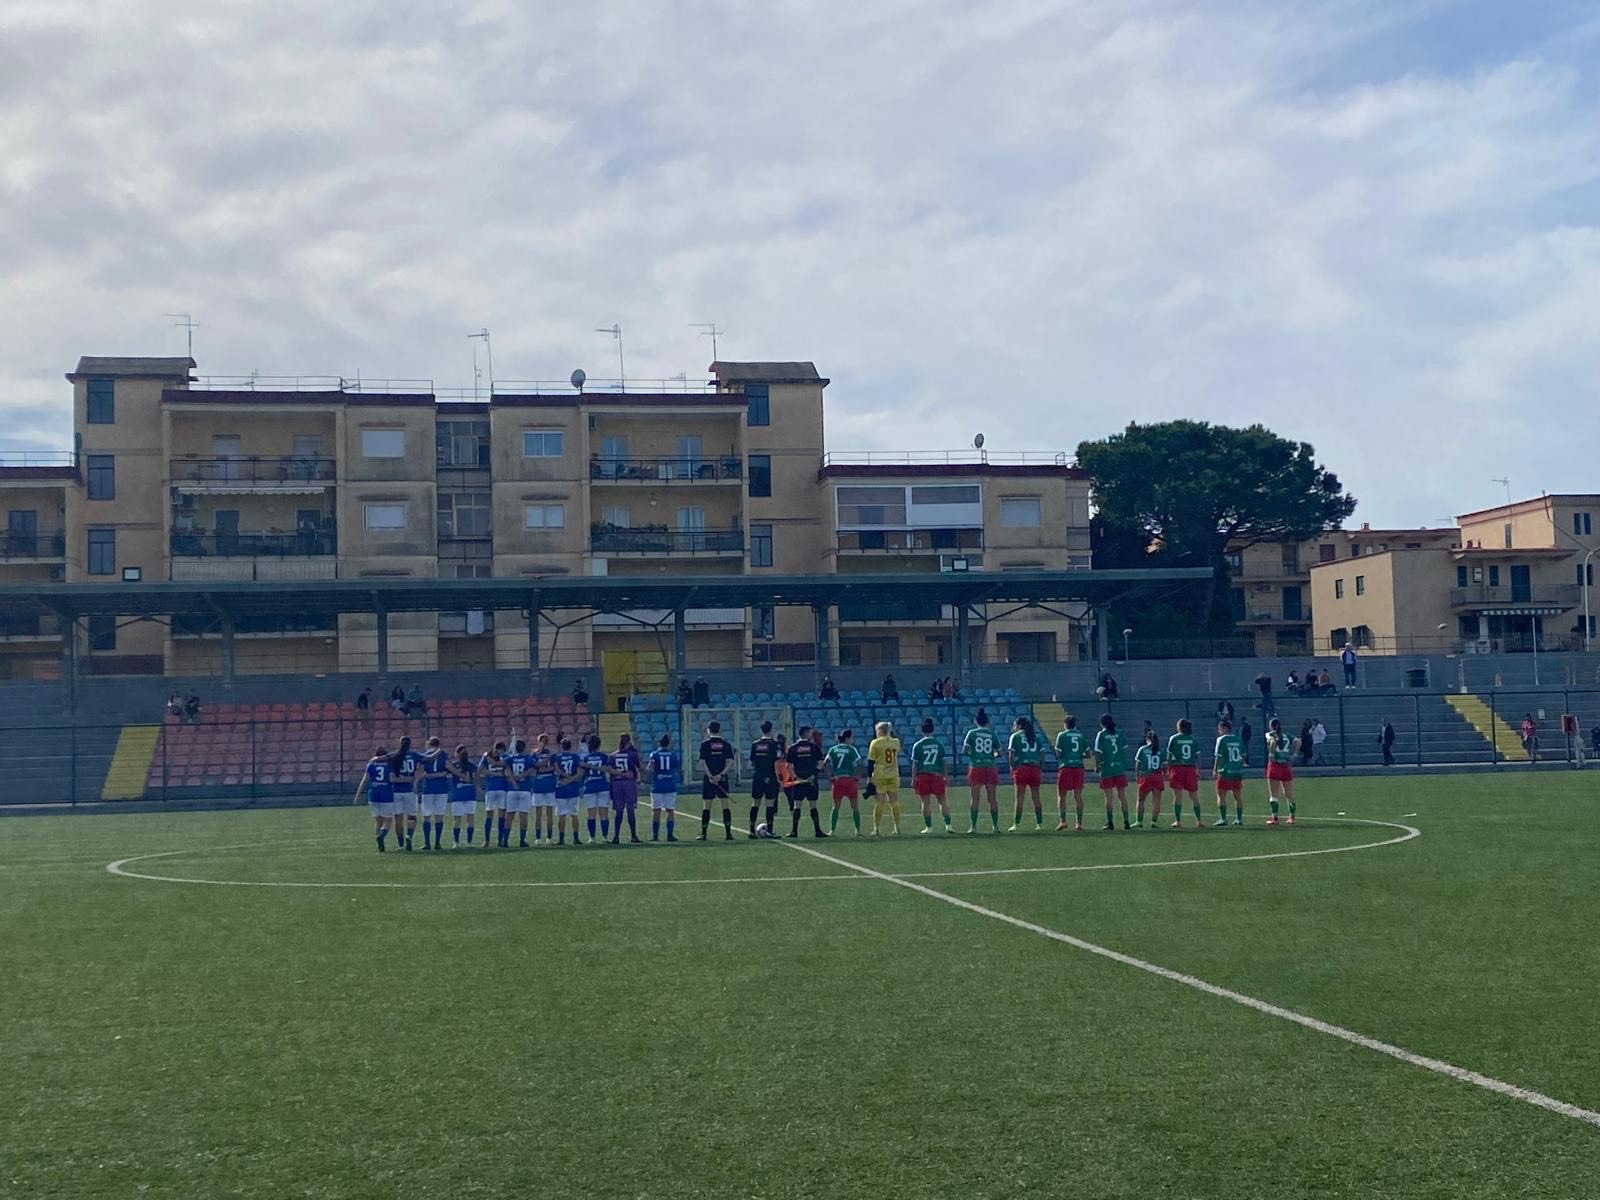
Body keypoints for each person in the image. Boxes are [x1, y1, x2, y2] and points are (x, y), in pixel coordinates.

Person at [961, 710, 1004, 833]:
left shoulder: (972, 733)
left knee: (975, 798)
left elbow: (965, 750)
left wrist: (974, 755)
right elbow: (1000, 753)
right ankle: (995, 826)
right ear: (987, 722)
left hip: (976, 766)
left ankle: (973, 826)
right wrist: (991, 755)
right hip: (990, 766)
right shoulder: (992, 734)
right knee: (992, 798)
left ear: (975, 721)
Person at [910, 719, 951, 834]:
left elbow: (915, 764)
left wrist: (913, 779)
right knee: (942, 801)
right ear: (933, 730)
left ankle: (929, 827)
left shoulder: (918, 745)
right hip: (937, 774)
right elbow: (943, 762)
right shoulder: (939, 744)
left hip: (923, 775)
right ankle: (948, 825)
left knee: (925, 802)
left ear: (922, 731)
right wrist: (945, 776)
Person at [785, 725, 826, 838]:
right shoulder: (813, 747)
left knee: (797, 805)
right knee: (813, 805)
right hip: (811, 780)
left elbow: (789, 765)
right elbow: (821, 763)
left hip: (799, 781)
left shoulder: (793, 748)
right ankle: (817, 830)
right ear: (806, 733)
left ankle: (794, 831)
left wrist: (795, 778)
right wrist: (813, 775)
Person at [353, 744, 396, 852]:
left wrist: (357, 795)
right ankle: (381, 836)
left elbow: (364, 780)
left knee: (378, 821)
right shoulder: (389, 766)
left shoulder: (371, 765)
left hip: (373, 794)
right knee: (388, 820)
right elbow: (391, 779)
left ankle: (378, 843)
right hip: (386, 794)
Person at [1007, 716, 1046, 832]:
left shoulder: (1015, 736)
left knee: (1019, 798)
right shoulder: (1036, 737)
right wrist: (1040, 766)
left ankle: (1016, 824)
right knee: (1036, 797)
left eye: (1015, 725)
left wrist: (1012, 766)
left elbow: (1011, 754)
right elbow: (1042, 754)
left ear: (1019, 726)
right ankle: (1039, 824)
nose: (1014, 728)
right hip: (1034, 768)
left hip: (1022, 768)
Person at [697, 721, 734, 840]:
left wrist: (710, 776)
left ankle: (703, 833)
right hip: (722, 778)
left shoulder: (705, 744)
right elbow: (730, 762)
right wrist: (721, 774)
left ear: (709, 730)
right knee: (725, 805)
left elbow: (703, 763)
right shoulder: (726, 744)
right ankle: (728, 834)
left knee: (707, 806)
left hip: (709, 779)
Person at [1093, 714, 1130, 831]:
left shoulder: (1101, 735)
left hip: (1107, 768)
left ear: (1102, 723)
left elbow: (1098, 752)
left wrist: (1097, 765)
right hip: (1119, 768)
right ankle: (1126, 822)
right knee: (1122, 796)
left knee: (1108, 797)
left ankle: (1110, 822)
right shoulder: (1120, 733)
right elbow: (1124, 749)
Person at [1053, 714, 1089, 831]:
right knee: (1078, 796)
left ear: (1065, 724)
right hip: (1078, 766)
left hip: (1066, 767)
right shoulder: (1081, 735)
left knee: (1062, 796)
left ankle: (1063, 821)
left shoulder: (1062, 735)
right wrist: (1079, 755)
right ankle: (1079, 823)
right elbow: (1088, 754)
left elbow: (1058, 753)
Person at [1165, 719, 1202, 829]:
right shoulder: (1193, 739)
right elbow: (1198, 757)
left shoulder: (1174, 738)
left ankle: (1178, 821)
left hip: (1177, 768)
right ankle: (1199, 821)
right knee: (1194, 796)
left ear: (1179, 727)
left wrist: (1169, 768)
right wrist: (1198, 769)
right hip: (1190, 768)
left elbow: (1169, 756)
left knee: (1178, 795)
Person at [867, 721, 902, 836]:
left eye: (877, 730)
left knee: (879, 802)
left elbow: (871, 762)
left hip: (880, 774)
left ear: (881, 731)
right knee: (894, 801)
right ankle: (897, 827)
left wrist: (869, 777)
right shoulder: (895, 742)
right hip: (893, 774)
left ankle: (876, 828)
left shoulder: (875, 743)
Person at [825, 729, 864, 835]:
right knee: (855, 807)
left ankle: (832, 830)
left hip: (837, 780)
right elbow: (860, 763)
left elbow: (826, 763)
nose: (853, 739)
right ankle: (858, 830)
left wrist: (829, 776)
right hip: (850, 780)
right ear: (847, 738)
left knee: (835, 807)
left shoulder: (833, 749)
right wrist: (858, 776)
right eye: (852, 737)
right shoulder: (851, 749)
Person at [748, 722, 783, 838]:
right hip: (770, 776)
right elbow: (776, 762)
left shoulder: (755, 744)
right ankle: (770, 830)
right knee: (770, 803)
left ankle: (751, 831)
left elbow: (752, 762)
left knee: (755, 803)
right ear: (771, 730)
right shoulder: (774, 745)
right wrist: (779, 779)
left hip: (757, 776)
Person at [418, 736, 452, 851]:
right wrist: (441, 774)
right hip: (441, 788)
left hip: (428, 789)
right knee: (439, 816)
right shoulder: (443, 755)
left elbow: (421, 772)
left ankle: (427, 843)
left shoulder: (425, 755)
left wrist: (428, 776)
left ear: (429, 744)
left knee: (426, 816)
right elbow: (448, 768)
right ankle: (437, 842)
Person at [646, 735, 681, 842]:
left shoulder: (654, 754)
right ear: (668, 744)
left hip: (657, 786)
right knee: (670, 811)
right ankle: (670, 835)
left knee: (656, 811)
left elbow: (650, 769)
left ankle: (655, 835)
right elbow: (676, 767)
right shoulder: (673, 755)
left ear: (659, 743)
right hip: (670, 785)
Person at [609, 734, 642, 844]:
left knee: (619, 811)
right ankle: (633, 836)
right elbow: (638, 767)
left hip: (617, 783)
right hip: (629, 783)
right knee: (630, 810)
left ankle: (616, 836)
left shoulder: (613, 755)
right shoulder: (632, 754)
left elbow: (609, 769)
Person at [1263, 717, 1297, 826]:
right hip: (1285, 765)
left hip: (1275, 765)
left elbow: (1272, 742)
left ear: (1271, 726)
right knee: (1288, 794)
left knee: (1273, 794)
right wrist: (1294, 754)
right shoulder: (1287, 735)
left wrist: (1271, 754)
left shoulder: (1270, 734)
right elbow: (1298, 741)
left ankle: (1275, 818)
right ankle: (1292, 817)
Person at [1213, 719, 1246, 826]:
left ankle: (1223, 819)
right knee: (1237, 795)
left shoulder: (1221, 740)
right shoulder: (1238, 739)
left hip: (1225, 771)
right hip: (1236, 771)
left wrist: (1215, 769)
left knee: (1221, 794)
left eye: (1220, 729)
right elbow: (1243, 756)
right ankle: (1239, 819)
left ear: (1224, 728)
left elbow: (1218, 756)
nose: (1219, 731)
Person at [553, 737, 585, 845]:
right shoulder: (575, 756)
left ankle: (561, 839)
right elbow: (580, 772)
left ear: (561, 746)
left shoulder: (558, 757)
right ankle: (576, 838)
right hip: (573, 787)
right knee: (574, 814)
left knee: (561, 815)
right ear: (570, 746)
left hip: (561, 786)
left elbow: (556, 769)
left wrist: (565, 778)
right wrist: (570, 779)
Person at [581, 734, 612, 842]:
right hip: (602, 785)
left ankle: (592, 838)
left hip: (589, 786)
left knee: (591, 814)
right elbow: (607, 769)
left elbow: (581, 773)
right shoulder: (604, 756)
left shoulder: (585, 758)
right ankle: (604, 837)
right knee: (604, 814)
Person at [390, 737, 419, 850]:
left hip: (396, 791)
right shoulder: (415, 755)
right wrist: (412, 780)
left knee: (398, 819)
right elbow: (425, 761)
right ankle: (409, 835)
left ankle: (401, 844)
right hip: (409, 791)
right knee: (412, 817)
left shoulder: (394, 756)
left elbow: (392, 778)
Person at [480, 741, 510, 850]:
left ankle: (487, 841)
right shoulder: (506, 756)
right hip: (501, 788)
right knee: (501, 816)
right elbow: (506, 771)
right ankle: (500, 840)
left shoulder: (487, 756)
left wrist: (490, 773)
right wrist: (497, 774)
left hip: (491, 788)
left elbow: (481, 770)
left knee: (489, 815)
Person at [503, 739, 533, 848]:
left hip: (512, 789)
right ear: (524, 748)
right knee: (523, 816)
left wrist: (514, 781)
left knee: (509, 816)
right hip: (524, 789)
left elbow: (507, 771)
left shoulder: (510, 759)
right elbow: (531, 770)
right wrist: (521, 777)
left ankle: (505, 841)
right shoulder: (528, 759)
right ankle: (522, 840)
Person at [1133, 729, 1165, 830]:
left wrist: (1137, 776)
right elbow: (1165, 766)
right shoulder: (1161, 750)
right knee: (1156, 801)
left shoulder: (1142, 749)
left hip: (1146, 776)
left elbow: (1137, 764)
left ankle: (1139, 821)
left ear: (1147, 739)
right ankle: (1154, 822)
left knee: (1141, 800)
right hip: (1157, 776)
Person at [448, 744, 478, 847]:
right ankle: (469, 842)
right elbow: (476, 777)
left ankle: (456, 843)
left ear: (456, 754)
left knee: (457, 820)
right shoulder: (471, 765)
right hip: (470, 793)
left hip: (457, 794)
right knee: (470, 819)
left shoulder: (454, 765)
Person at [531, 733, 558, 846]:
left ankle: (549, 837)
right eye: (541, 740)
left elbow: (554, 767)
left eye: (544, 741)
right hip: (538, 786)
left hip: (549, 784)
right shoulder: (534, 754)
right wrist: (542, 765)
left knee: (549, 813)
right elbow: (534, 766)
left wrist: (542, 768)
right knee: (538, 814)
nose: (542, 742)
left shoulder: (551, 754)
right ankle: (538, 838)